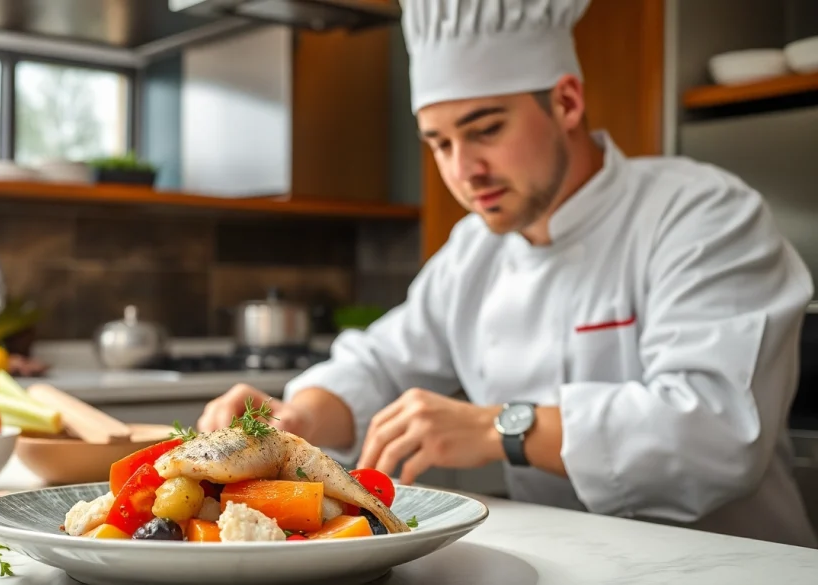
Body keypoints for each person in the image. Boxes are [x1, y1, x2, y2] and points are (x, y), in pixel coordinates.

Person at [198, 0, 818, 548]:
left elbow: (715, 431)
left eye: (486, 129)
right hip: (568, 558)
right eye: (439, 143)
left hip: (734, 562)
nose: (465, 169)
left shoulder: (703, 214)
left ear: (567, 101)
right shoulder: (475, 252)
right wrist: (298, 417)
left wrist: (500, 427)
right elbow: (380, 364)